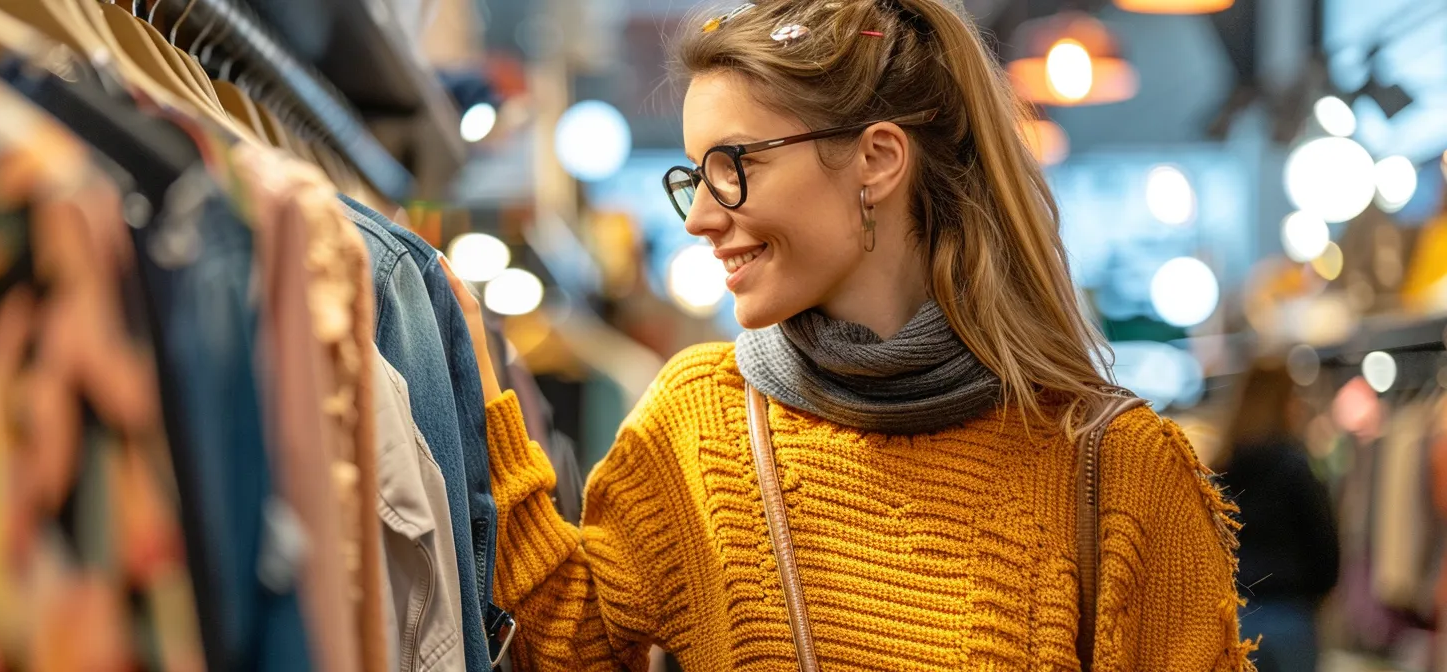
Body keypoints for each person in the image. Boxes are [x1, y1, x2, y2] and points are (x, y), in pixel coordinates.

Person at [443, 0, 1255, 668]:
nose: (697, 215)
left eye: (732, 165)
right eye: (691, 176)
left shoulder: (1116, 471)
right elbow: (565, 645)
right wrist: (472, 380)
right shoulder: (698, 427)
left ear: (876, 159)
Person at [1215, 360, 1339, 672]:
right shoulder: (1296, 466)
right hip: (1290, 612)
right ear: (1286, 400)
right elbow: (1323, 543)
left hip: (1236, 613)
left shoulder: (1222, 466)